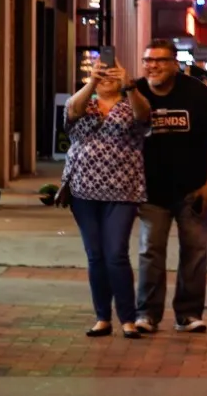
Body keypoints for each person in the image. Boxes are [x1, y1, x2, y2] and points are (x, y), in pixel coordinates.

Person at [130, 39, 207, 333]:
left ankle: (188, 313)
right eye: (148, 60)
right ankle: (147, 314)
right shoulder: (135, 92)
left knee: (195, 252)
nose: (153, 66)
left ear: (175, 64)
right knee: (150, 251)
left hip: (192, 189)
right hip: (151, 190)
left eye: (160, 60)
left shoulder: (197, 93)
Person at [61, 55, 151, 338]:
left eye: (112, 74)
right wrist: (92, 83)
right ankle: (102, 317)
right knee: (95, 256)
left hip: (122, 191)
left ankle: (127, 318)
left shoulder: (130, 103)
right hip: (83, 190)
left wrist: (129, 85)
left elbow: (144, 116)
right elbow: (72, 110)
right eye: (103, 74)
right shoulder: (83, 101)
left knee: (115, 254)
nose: (107, 78)